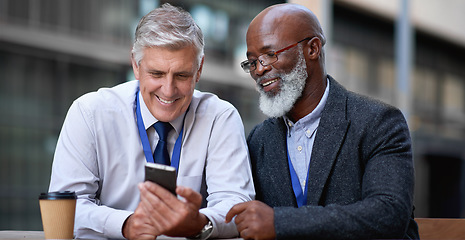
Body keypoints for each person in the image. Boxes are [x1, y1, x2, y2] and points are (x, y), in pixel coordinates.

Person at [49, 3, 254, 239]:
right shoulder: (89, 114)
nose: (168, 90)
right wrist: (126, 224)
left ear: (199, 70)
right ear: (136, 65)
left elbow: (236, 204)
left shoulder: (220, 118)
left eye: (182, 75)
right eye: (156, 74)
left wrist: (201, 222)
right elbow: (65, 207)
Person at [226, 3, 418, 240]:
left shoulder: (379, 122)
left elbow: (389, 214)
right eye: (252, 61)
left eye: (270, 55)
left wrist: (281, 223)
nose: (259, 70)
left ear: (313, 49)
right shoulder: (259, 140)